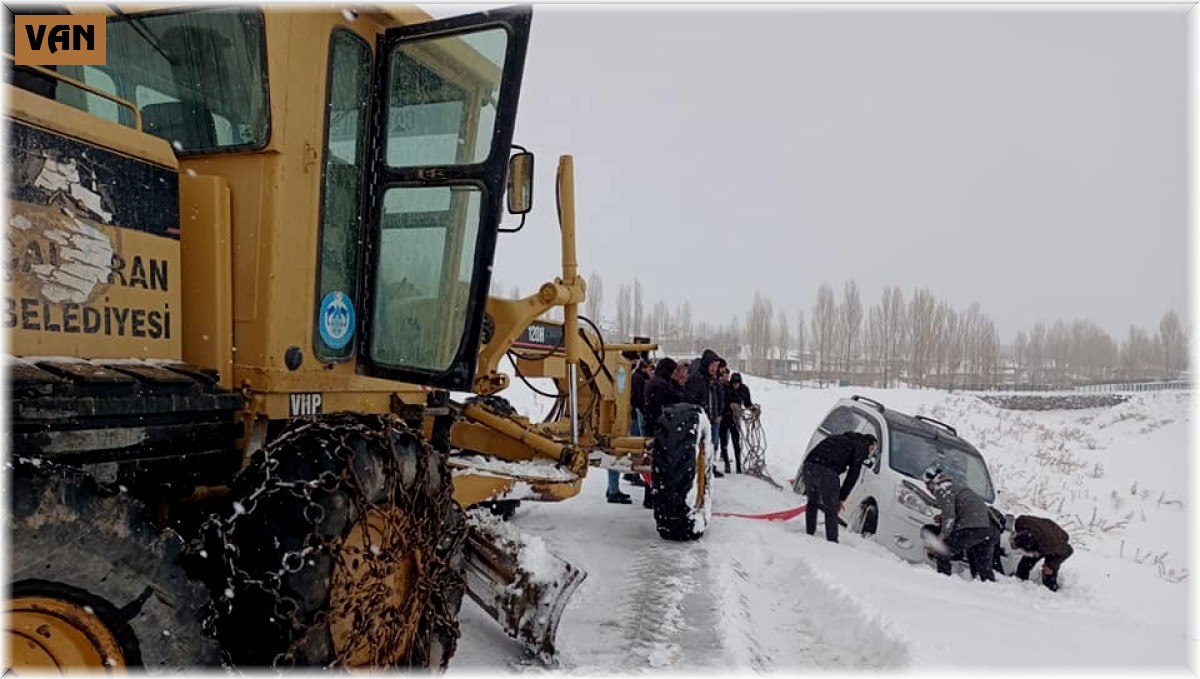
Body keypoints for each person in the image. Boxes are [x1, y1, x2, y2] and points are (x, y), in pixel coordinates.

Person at [923, 466, 1000, 582]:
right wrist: (943, 517)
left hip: (973, 527)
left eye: (927, 485)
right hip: (988, 528)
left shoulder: (942, 488)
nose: (928, 489)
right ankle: (989, 591)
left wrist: (940, 539)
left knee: (943, 549)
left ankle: (942, 581)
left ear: (932, 482)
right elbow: (962, 509)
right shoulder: (956, 485)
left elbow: (950, 518)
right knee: (984, 568)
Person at [801, 431, 877, 542]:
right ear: (870, 446)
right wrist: (841, 498)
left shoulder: (842, 438)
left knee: (812, 503)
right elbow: (852, 476)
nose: (871, 454)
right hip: (827, 471)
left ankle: (809, 533)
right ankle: (832, 541)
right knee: (831, 509)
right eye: (873, 450)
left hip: (809, 466)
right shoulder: (861, 447)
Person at [641, 357, 684, 508]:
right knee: (658, 463)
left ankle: (648, 496)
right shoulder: (662, 385)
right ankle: (653, 497)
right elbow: (664, 407)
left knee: (650, 461)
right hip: (659, 428)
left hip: (649, 425)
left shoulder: (651, 382)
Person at [683, 349, 725, 478]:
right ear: (706, 364)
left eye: (716, 366)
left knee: (710, 447)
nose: (714, 369)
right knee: (700, 451)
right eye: (712, 365)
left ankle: (707, 471)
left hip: (709, 420)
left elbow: (717, 399)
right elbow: (691, 401)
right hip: (698, 423)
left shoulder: (710, 380)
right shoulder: (697, 379)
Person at [1009, 514, 1073, 591]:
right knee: (1025, 563)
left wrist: (1052, 565)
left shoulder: (1051, 546)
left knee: (1048, 571)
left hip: (1055, 541)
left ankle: (1051, 591)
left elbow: (1069, 550)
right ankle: (1020, 580)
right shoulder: (1020, 522)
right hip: (1043, 531)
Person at [720, 372, 754, 474]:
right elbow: (721, 401)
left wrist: (753, 410)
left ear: (740, 382)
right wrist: (729, 405)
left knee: (736, 441)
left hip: (735, 419)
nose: (735, 385)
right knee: (724, 441)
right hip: (724, 417)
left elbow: (747, 403)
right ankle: (726, 463)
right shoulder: (725, 388)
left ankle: (738, 465)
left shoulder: (744, 389)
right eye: (734, 383)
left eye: (737, 383)